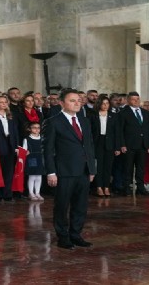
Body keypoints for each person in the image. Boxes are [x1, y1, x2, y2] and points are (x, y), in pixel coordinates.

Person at [43, 88, 96, 249]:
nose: (77, 103)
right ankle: (63, 236)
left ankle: (76, 234)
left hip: (83, 171)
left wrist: (92, 169)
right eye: (72, 100)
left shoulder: (85, 121)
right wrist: (51, 172)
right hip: (63, 171)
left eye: (79, 100)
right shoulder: (53, 122)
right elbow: (47, 150)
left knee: (80, 205)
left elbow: (89, 146)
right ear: (61, 103)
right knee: (62, 205)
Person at [119, 91, 149, 196]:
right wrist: (122, 144)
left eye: (137, 99)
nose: (136, 101)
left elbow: (148, 130)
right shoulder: (123, 113)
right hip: (129, 145)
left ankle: (140, 188)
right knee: (128, 168)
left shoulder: (145, 112)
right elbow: (120, 130)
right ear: (128, 100)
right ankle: (126, 188)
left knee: (141, 168)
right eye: (133, 99)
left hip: (142, 145)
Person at [90, 95, 120, 197]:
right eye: (103, 103)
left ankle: (106, 187)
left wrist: (117, 147)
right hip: (97, 143)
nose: (105, 105)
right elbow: (90, 132)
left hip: (109, 144)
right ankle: (99, 187)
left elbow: (117, 133)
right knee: (99, 167)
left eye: (107, 103)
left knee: (108, 166)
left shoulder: (114, 116)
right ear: (99, 104)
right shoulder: (93, 115)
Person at [23, 122, 44, 201]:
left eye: (38, 127)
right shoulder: (27, 139)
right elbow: (24, 150)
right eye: (34, 127)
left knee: (39, 176)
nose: (36, 129)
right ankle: (31, 193)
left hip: (40, 158)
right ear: (29, 129)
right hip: (31, 158)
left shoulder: (42, 138)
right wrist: (25, 152)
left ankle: (37, 193)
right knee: (32, 176)